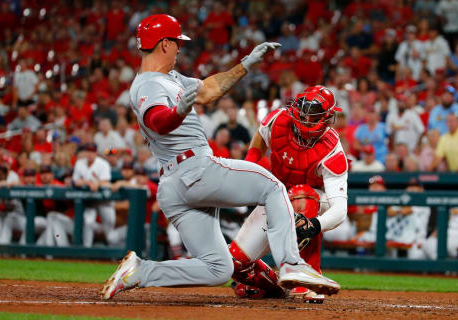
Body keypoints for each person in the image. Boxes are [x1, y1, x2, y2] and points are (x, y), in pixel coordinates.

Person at [102, 14, 328, 300]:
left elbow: (208, 90)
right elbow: (157, 121)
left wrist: (245, 65)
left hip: (175, 186)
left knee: (217, 268)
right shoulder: (148, 85)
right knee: (273, 187)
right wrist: (178, 112)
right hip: (195, 169)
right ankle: (291, 263)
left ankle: (141, 272)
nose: (179, 48)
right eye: (176, 42)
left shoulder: (169, 78)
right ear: (163, 45)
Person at [228, 86, 347, 303]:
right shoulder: (278, 121)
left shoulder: (332, 149)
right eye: (303, 112)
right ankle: (275, 286)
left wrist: (315, 225)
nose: (305, 118)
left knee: (302, 194)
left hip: (312, 201)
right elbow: (260, 138)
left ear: (327, 118)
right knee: (233, 263)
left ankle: (308, 278)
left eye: (313, 114)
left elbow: (340, 209)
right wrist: (249, 165)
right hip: (276, 196)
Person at [72, 143, 116, 247]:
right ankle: (87, 251)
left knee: (110, 221)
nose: (90, 154)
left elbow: (106, 181)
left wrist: (97, 183)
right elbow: (75, 181)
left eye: (92, 151)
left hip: (103, 200)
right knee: (88, 222)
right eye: (88, 151)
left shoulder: (103, 164)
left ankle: (111, 248)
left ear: (96, 152)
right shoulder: (79, 163)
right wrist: (89, 183)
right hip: (89, 201)